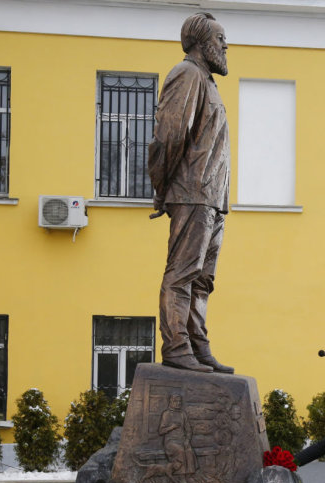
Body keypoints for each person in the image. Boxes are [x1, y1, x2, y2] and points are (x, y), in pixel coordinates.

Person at [148, 12, 233, 374]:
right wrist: (162, 185)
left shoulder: (209, 83)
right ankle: (177, 347)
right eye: (219, 38)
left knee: (202, 280)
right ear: (200, 43)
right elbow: (169, 135)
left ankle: (197, 346)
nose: (226, 45)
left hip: (213, 198)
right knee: (182, 274)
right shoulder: (187, 75)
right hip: (192, 192)